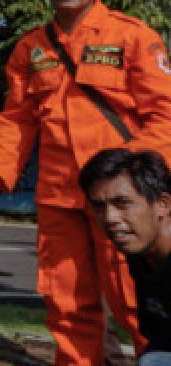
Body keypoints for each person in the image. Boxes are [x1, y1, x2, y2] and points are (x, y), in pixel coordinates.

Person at [0, 0, 171, 365]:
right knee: (67, 302)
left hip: (122, 198)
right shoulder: (31, 48)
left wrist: (133, 173)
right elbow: (18, 118)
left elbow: (165, 114)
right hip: (60, 198)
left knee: (136, 300)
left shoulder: (133, 36)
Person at [80, 149, 171, 365]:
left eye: (123, 203)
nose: (110, 218)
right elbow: (160, 337)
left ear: (163, 205)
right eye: (99, 206)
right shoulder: (141, 253)